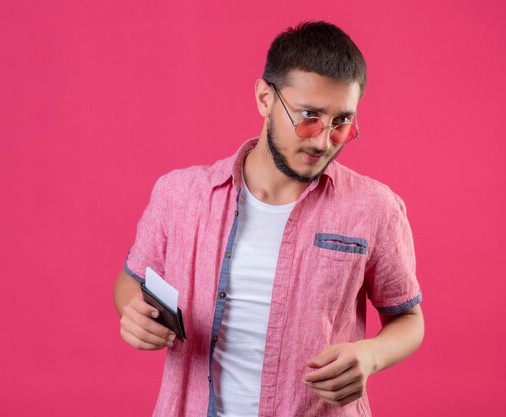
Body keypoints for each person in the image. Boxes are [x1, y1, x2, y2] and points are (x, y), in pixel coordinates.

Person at [113, 21, 424, 417]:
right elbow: (129, 283)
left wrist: (371, 355)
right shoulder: (179, 195)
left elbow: (409, 318)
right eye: (308, 115)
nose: (321, 140)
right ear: (265, 98)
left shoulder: (375, 208)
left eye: (341, 122)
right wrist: (132, 313)